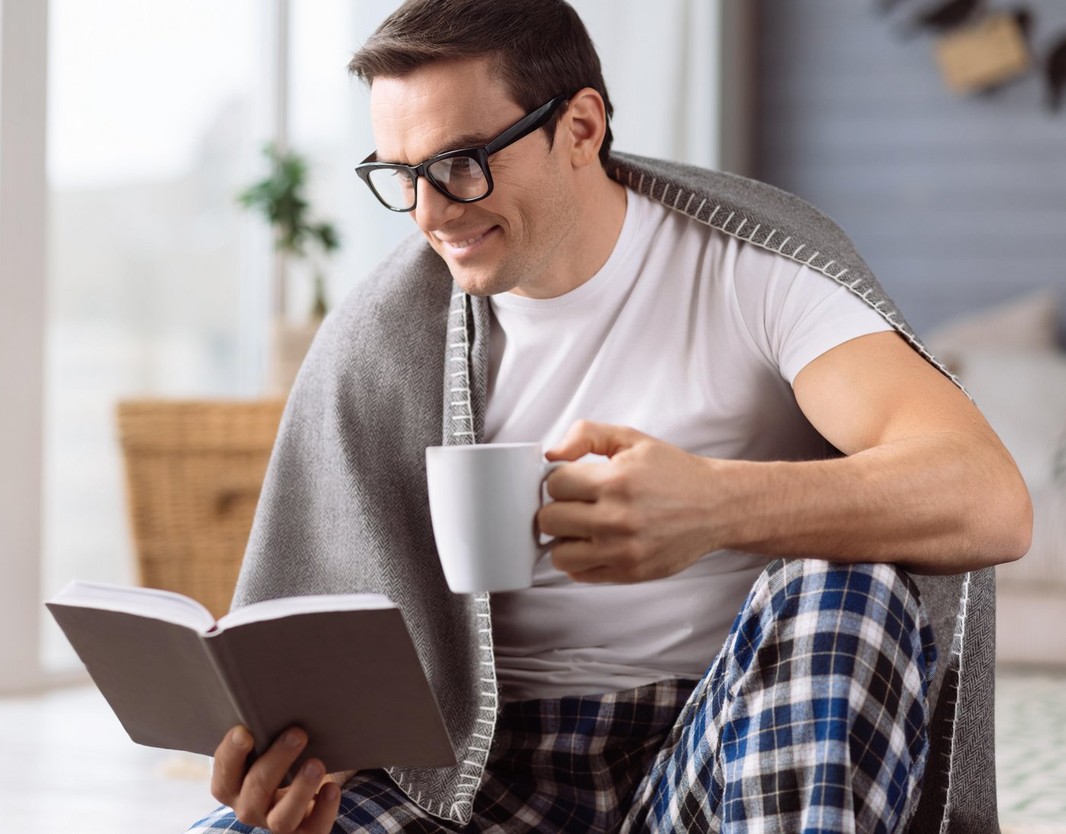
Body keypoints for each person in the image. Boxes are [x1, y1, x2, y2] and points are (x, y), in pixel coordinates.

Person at [188, 1, 1031, 832]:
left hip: (724, 753)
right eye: (401, 175)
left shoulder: (754, 272)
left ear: (581, 128)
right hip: (475, 778)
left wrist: (717, 507)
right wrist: (297, 764)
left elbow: (989, 497)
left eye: (461, 163)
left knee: (844, 590)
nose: (430, 214)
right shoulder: (382, 334)